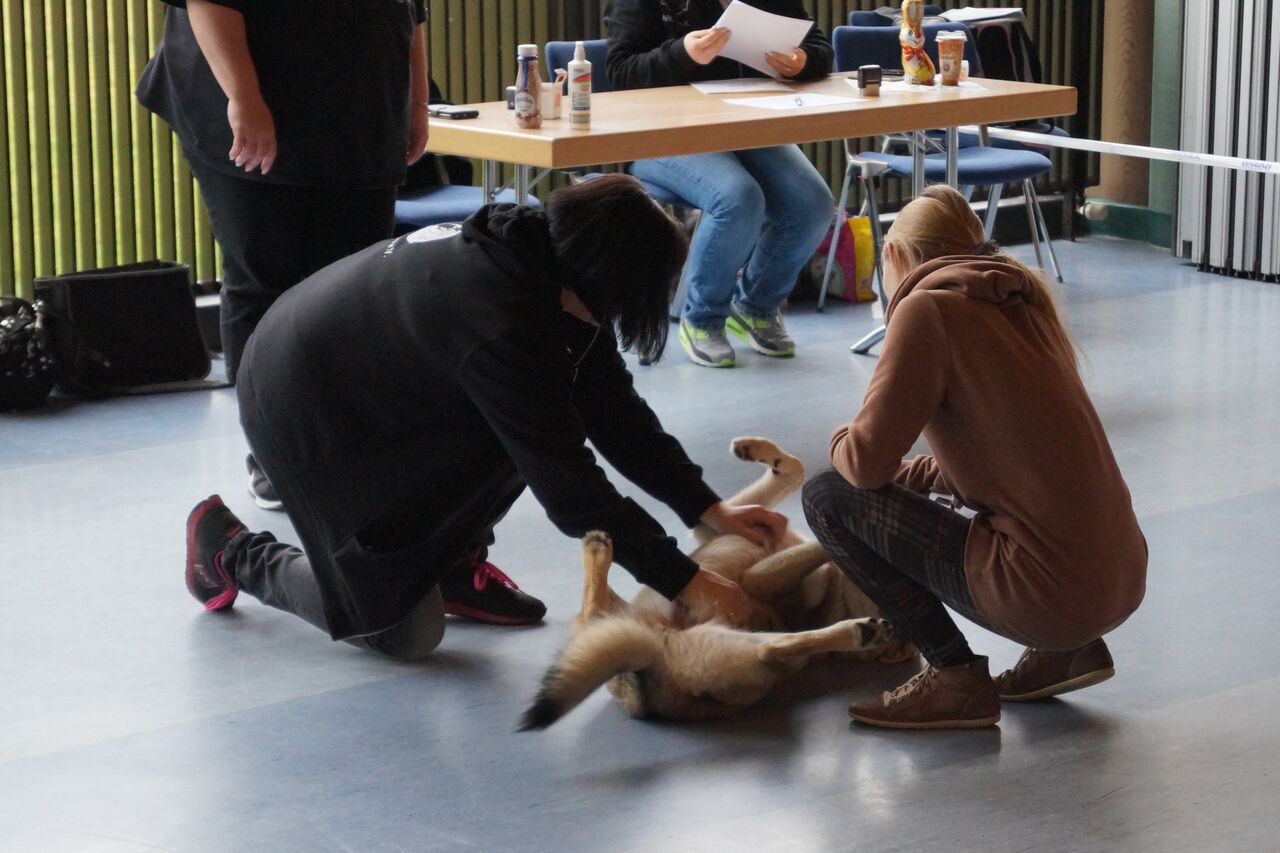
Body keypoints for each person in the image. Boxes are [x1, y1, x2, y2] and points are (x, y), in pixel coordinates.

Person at [184, 175, 787, 660]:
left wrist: (707, 508)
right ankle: (231, 549)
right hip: (304, 399)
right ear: (607, 280)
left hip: (375, 376)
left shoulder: (554, 262)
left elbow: (614, 410)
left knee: (526, 424)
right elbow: (572, 492)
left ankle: (450, 565)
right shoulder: (501, 320)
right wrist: (688, 581)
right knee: (398, 630)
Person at [802, 185, 1147, 730]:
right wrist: (911, 475)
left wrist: (839, 435)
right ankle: (1068, 649)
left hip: (1047, 594)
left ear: (892, 256)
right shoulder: (1017, 300)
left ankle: (955, 675)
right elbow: (1007, 459)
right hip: (1119, 580)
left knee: (826, 495)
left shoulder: (926, 310)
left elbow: (863, 464)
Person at [136, 0, 431, 508]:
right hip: (251, 98)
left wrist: (417, 101)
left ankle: (341, 446)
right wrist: (243, 95)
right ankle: (275, 456)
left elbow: (410, 9)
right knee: (265, 281)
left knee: (352, 290)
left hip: (358, 110)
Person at [603, 0, 835, 368]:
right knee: (738, 198)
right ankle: (703, 318)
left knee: (813, 204)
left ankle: (756, 306)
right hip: (656, 133)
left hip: (746, 126)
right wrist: (683, 53)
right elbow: (620, 72)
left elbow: (820, 47)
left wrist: (803, 62)